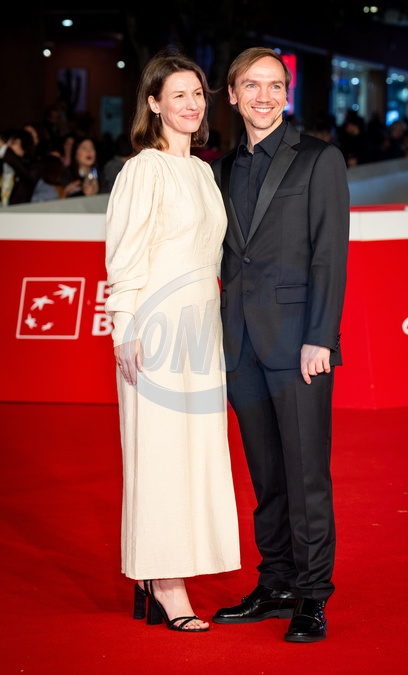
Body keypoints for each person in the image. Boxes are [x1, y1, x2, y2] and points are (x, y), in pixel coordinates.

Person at [210, 47, 349, 642]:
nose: (263, 96)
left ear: (286, 94)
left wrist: (320, 337)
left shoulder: (319, 158)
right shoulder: (219, 169)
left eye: (274, 86)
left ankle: (312, 595)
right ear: (233, 95)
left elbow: (329, 254)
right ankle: (276, 583)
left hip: (298, 345)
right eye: (251, 85)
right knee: (266, 476)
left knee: (305, 473)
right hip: (239, 343)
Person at [104, 48, 240, 633]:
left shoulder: (204, 173)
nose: (190, 104)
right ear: (154, 104)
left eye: (197, 93)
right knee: (159, 454)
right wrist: (125, 328)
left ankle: (168, 569)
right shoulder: (143, 169)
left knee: (196, 454)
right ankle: (164, 583)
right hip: (155, 328)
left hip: (201, 329)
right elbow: (124, 255)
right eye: (177, 95)